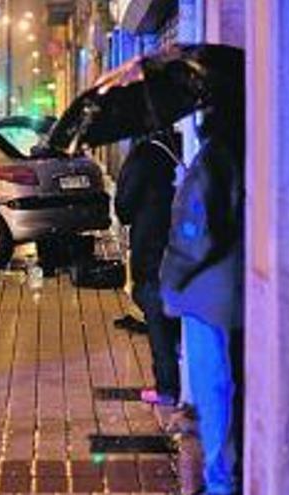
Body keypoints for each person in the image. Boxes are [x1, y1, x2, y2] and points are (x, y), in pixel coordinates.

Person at [160, 92, 245, 494]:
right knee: (224, 386)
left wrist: (171, 281)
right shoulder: (243, 154)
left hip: (206, 294)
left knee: (213, 388)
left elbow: (194, 234)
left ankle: (220, 482)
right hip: (230, 292)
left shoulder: (214, 159)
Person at [114, 129, 181, 406]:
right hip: (178, 247)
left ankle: (166, 387)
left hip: (151, 246)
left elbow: (124, 208)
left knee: (155, 313)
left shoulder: (142, 157)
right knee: (166, 312)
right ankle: (174, 375)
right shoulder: (178, 154)